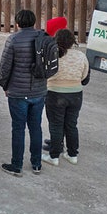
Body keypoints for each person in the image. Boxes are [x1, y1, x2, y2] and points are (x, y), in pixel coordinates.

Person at [0, 9, 47, 177]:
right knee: (36, 127)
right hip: (39, 91)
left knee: (18, 129)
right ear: (34, 22)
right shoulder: (43, 38)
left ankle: (17, 165)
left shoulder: (13, 39)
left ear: (17, 23)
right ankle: (37, 164)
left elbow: (5, 67)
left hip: (18, 92)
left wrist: (4, 86)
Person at [41, 28, 91, 167]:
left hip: (55, 93)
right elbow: (85, 78)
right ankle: (72, 154)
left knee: (56, 125)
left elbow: (45, 73)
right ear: (72, 41)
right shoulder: (81, 56)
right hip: (76, 94)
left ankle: (54, 156)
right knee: (71, 125)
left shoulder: (52, 54)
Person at [41, 16, 68, 151]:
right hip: (70, 90)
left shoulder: (51, 48)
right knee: (62, 120)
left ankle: (56, 145)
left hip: (54, 88)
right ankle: (57, 140)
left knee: (54, 119)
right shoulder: (67, 49)